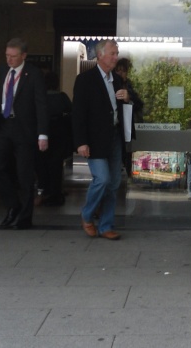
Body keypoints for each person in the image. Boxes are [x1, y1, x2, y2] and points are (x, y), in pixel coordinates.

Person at [0, 37, 49, 230]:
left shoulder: (33, 74)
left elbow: (41, 105)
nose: (9, 60)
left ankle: (25, 218)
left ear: (24, 56)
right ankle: (13, 205)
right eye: (7, 56)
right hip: (2, 126)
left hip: (25, 130)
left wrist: (43, 134)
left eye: (13, 56)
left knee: (25, 175)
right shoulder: (1, 71)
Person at [72, 39, 135, 240]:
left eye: (116, 53)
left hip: (114, 138)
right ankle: (87, 214)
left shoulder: (116, 79)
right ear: (100, 55)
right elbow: (78, 114)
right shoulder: (85, 80)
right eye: (113, 53)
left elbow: (134, 104)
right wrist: (81, 142)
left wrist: (128, 97)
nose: (116, 57)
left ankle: (106, 225)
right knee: (102, 179)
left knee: (114, 183)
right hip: (94, 140)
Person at [35, 70, 73, 206]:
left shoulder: (41, 98)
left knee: (42, 164)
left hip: (42, 134)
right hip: (60, 134)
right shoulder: (62, 97)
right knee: (56, 165)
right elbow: (71, 113)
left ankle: (43, 191)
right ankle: (56, 192)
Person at [113, 57, 144, 177]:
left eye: (123, 71)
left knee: (127, 153)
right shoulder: (112, 84)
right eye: (118, 70)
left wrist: (129, 99)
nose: (120, 73)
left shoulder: (130, 86)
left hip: (128, 126)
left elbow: (139, 103)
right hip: (118, 127)